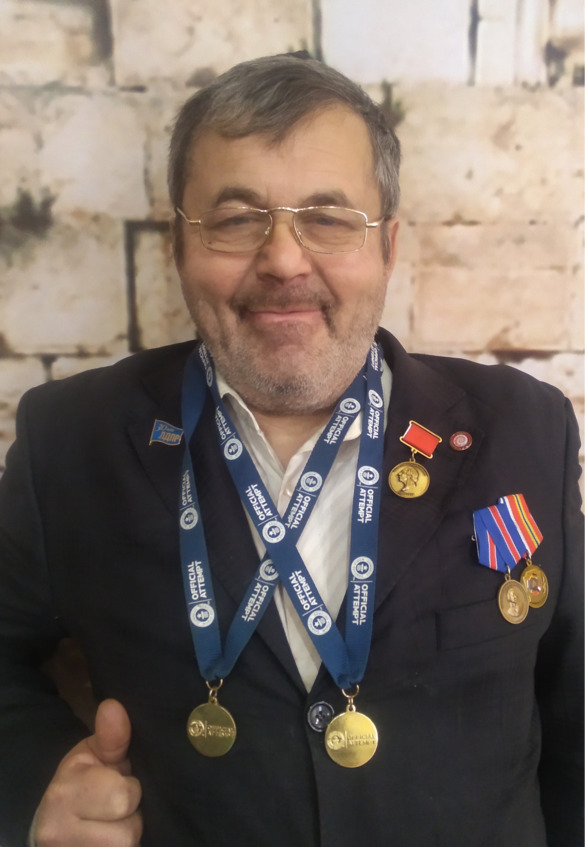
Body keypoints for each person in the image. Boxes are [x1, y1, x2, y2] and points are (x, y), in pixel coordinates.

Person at [0, 53, 582, 847]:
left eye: (329, 219)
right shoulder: (70, 441)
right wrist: (34, 785)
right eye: (236, 219)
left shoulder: (524, 428)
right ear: (178, 245)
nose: (282, 259)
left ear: (388, 246)